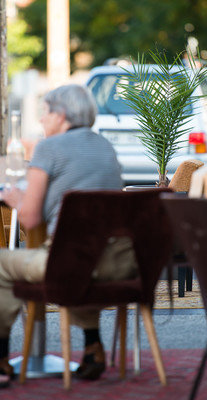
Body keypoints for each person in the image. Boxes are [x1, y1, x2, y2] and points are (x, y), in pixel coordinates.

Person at [0, 84, 137, 388]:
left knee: (1, 263)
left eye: (45, 113)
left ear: (61, 115)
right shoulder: (105, 147)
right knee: (81, 252)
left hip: (70, 265)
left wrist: (14, 199)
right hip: (118, 262)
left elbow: (30, 218)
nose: (42, 121)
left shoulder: (48, 148)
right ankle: (92, 348)